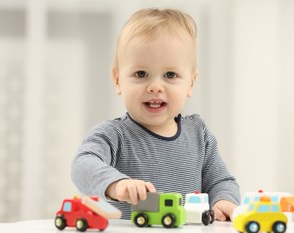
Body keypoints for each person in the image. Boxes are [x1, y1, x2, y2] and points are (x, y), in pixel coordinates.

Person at [71, 8, 240, 221]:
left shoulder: (199, 135)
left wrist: (223, 200)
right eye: (141, 74)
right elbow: (82, 165)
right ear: (117, 80)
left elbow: (221, 181)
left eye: (170, 75)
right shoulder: (114, 135)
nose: (155, 86)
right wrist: (117, 184)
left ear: (190, 83)